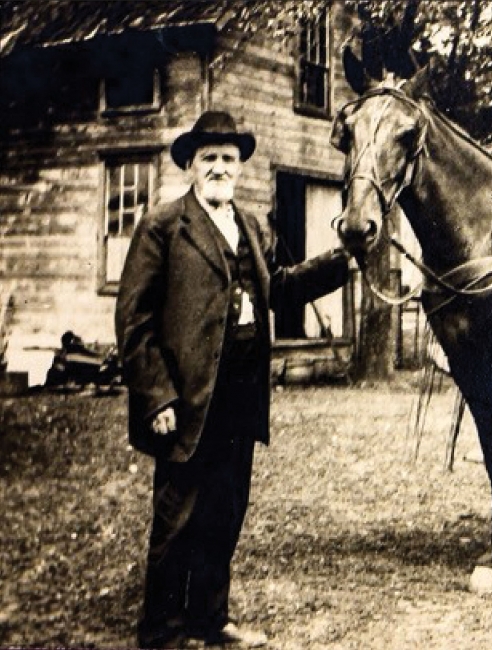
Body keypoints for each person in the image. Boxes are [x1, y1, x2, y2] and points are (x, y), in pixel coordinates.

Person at [116, 111, 350, 649]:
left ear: (241, 167)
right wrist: (157, 396)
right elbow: (134, 320)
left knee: (225, 511)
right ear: (192, 167)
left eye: (229, 159)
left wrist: (342, 263)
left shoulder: (251, 226)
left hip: (241, 397)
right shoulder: (164, 225)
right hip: (186, 399)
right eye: (210, 159)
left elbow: (280, 289)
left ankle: (210, 618)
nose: (220, 168)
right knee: (177, 518)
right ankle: (163, 631)